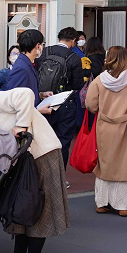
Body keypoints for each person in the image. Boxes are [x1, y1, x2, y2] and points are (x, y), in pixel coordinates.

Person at [0, 87, 69, 253]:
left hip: (43, 153)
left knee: (38, 206)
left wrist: (21, 126)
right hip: (26, 157)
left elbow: (26, 94)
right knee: (21, 205)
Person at [84, 46, 127, 216]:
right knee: (125, 165)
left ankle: (102, 203)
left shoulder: (99, 80)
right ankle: (122, 206)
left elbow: (90, 105)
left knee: (104, 165)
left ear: (109, 59)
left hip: (104, 127)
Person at [38, 27, 87, 163]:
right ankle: (60, 178)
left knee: (43, 141)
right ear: (73, 41)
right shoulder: (74, 58)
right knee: (63, 142)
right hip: (65, 104)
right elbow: (77, 85)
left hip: (44, 102)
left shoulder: (45, 52)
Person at [5, 29, 45, 104]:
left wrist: (40, 95)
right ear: (38, 46)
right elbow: (15, 99)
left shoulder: (26, 63)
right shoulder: (21, 67)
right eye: (42, 44)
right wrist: (38, 110)